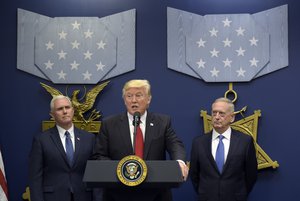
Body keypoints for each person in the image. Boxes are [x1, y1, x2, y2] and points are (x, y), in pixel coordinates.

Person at [92, 79, 188, 201]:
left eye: (139, 95)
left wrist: (179, 161)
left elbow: (175, 144)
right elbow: (99, 155)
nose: (134, 100)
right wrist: (120, 170)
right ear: (124, 100)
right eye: (129, 96)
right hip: (118, 193)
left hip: (155, 194)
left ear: (148, 99)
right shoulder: (109, 124)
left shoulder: (162, 122)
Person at [28, 95, 100, 201]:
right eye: (60, 109)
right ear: (52, 114)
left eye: (67, 107)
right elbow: (35, 178)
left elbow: (96, 174)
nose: (65, 111)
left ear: (73, 110)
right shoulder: (41, 140)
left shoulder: (89, 138)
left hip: (84, 196)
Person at [190, 97, 257, 201]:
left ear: (232, 117)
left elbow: (251, 175)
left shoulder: (245, 142)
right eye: (214, 113)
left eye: (221, 113)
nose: (217, 117)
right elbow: (194, 175)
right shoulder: (198, 143)